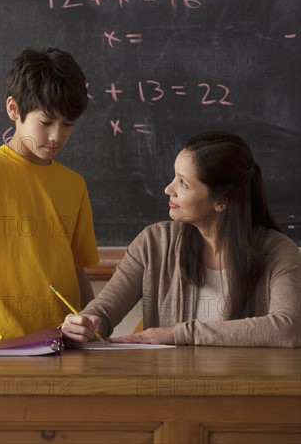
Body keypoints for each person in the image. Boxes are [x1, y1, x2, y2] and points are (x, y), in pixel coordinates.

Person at [62, 131, 300, 347]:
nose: (168, 189)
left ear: (221, 201)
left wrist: (178, 334)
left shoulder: (278, 252)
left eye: (183, 184)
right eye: (174, 177)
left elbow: (289, 328)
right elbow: (104, 311)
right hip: (168, 389)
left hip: (246, 389)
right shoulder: (153, 243)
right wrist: (88, 322)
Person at [0, 48, 99, 341]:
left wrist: (92, 323)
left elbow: (76, 268)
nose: (57, 136)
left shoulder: (74, 184)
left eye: (68, 124)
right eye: (46, 122)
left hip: (63, 345)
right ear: (14, 109)